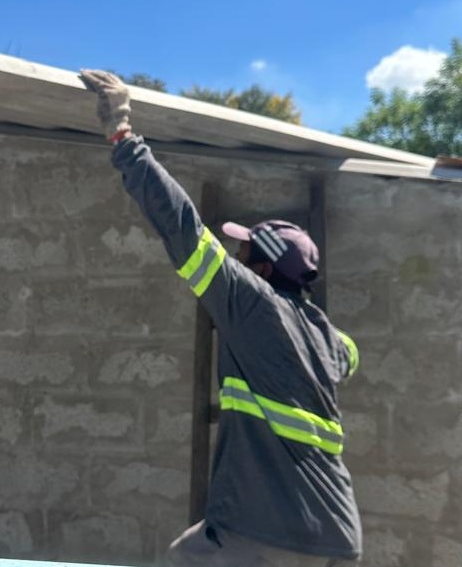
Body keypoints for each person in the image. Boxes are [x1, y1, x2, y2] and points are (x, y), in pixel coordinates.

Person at [79, 70, 362, 567]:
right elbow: (350, 355)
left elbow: (184, 228)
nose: (234, 255)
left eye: (243, 251)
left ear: (265, 268)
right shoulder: (327, 338)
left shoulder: (254, 305)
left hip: (269, 531)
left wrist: (123, 134)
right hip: (335, 535)